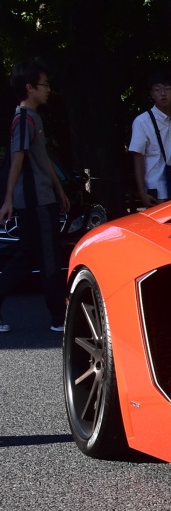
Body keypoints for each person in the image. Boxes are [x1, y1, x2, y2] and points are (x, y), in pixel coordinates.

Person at [0, 58, 71, 333]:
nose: (49, 89)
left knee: (28, 256)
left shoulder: (32, 117)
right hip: (35, 200)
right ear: (30, 88)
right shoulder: (23, 118)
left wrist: (59, 189)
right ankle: (59, 318)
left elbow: (43, 160)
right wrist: (8, 199)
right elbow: (18, 158)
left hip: (43, 196)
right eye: (45, 84)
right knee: (48, 256)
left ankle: (58, 315)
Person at [128, 69, 171, 206]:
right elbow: (138, 158)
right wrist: (142, 192)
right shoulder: (142, 121)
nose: (163, 93)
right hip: (156, 190)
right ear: (152, 94)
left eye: (167, 89)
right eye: (158, 89)